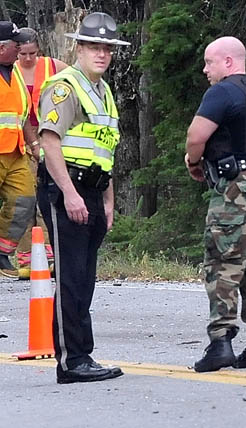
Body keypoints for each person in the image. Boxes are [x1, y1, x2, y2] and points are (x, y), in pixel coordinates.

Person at [37, 12, 129, 384]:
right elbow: (50, 140)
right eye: (94, 46)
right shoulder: (64, 87)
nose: (101, 54)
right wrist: (70, 193)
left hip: (92, 189)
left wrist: (107, 200)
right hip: (66, 189)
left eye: (107, 48)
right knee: (71, 277)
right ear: (79, 47)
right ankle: (71, 361)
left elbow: (103, 150)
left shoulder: (103, 91)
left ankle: (82, 354)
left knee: (85, 278)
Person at [186, 36, 246, 372]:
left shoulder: (224, 90)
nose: (205, 70)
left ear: (228, 62)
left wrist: (194, 161)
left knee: (222, 261)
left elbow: (196, 136)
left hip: (238, 187)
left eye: (209, 62)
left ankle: (221, 342)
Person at [14, 27, 67, 279]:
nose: (27, 58)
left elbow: (76, 83)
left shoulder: (53, 66)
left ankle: (49, 254)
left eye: (32, 53)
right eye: (22, 53)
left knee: (48, 196)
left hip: (50, 135)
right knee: (24, 198)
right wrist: (31, 143)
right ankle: (25, 257)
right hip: (19, 139)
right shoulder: (9, 71)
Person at [0, 21, 37, 278]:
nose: (20, 49)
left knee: (25, 199)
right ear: (2, 48)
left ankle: (1, 253)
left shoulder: (15, 75)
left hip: (16, 152)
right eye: (16, 45)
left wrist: (34, 144)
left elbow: (21, 117)